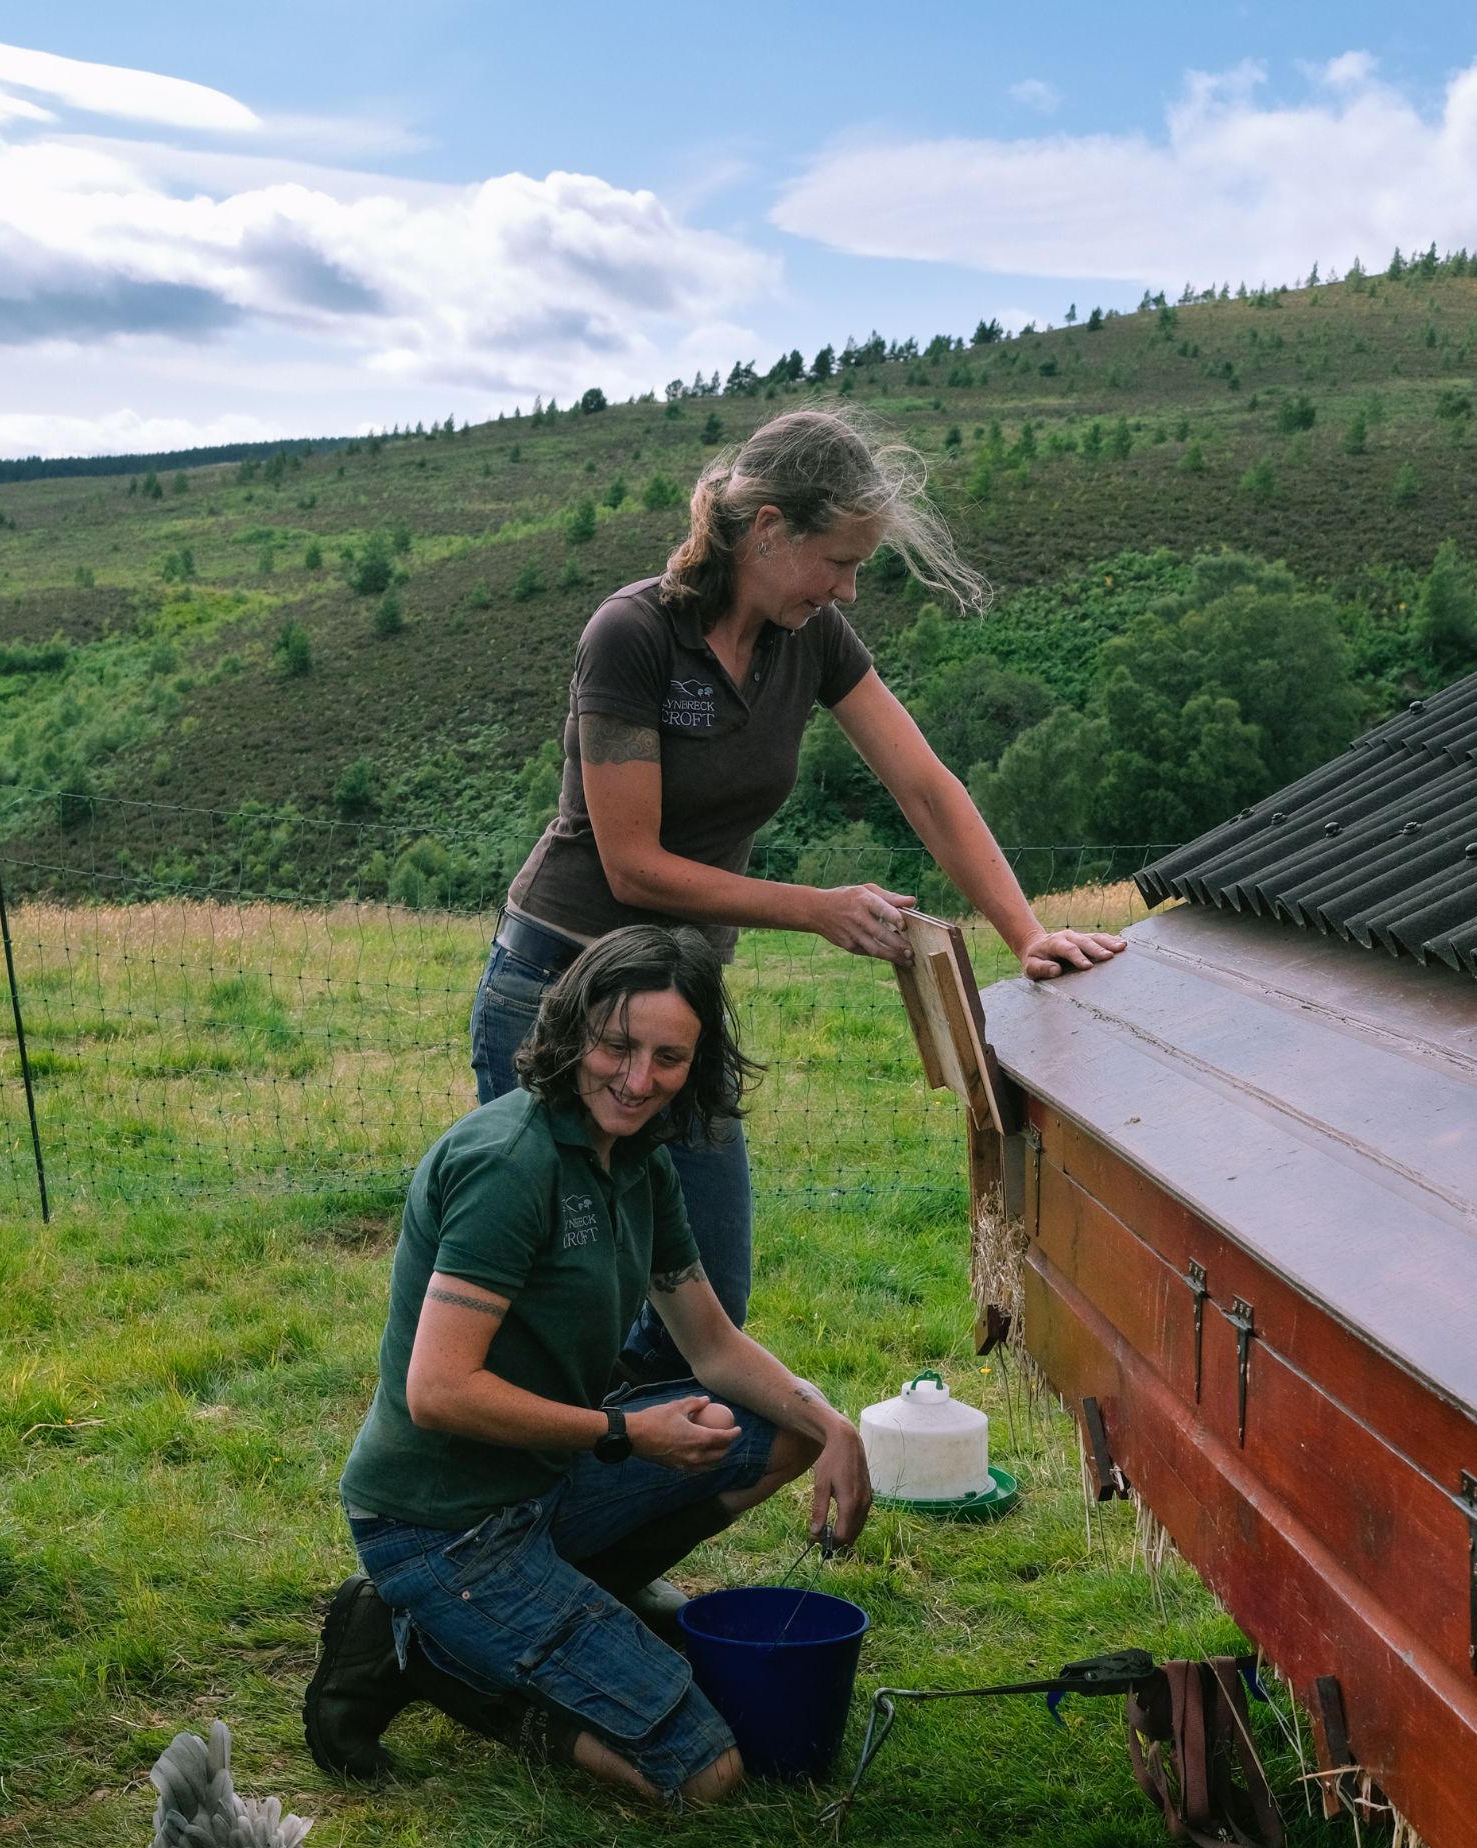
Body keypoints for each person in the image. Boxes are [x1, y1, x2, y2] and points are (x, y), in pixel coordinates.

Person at [472, 405, 1126, 1375]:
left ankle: (610, 1494)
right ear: (769, 529)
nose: (848, 588)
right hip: (561, 995)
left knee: (711, 1304)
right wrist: (815, 910)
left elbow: (925, 786)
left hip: (680, 1003)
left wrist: (1022, 930)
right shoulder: (634, 635)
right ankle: (534, 1500)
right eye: (838, 560)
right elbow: (632, 865)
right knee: (570, 1298)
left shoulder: (808, 640)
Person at [304, 924, 873, 1804]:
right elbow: (438, 1390)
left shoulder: (638, 1164)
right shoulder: (510, 1163)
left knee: (773, 1434)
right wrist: (625, 1432)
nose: (639, 1080)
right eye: (618, 1046)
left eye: (670, 1057)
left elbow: (713, 1347)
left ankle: (558, 1600)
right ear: (573, 1032)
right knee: (704, 1774)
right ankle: (439, 1665)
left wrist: (831, 1423)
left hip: (545, 1481)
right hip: (439, 1523)